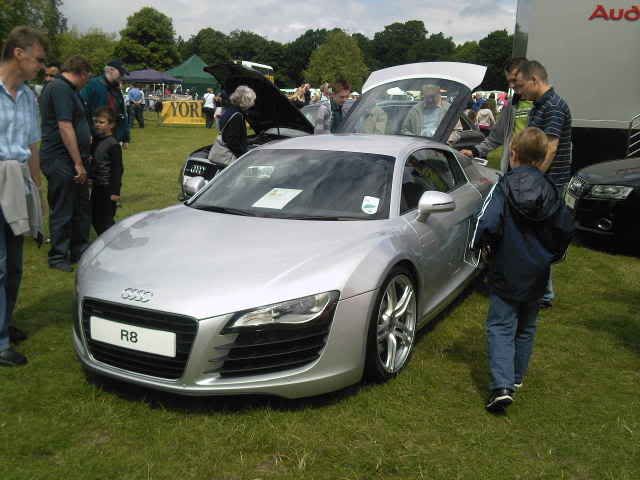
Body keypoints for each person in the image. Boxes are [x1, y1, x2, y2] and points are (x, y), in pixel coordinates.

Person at [471, 127, 573, 413]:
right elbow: (565, 227)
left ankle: (502, 386)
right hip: (537, 271)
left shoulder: (502, 187)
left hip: (506, 268)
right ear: (542, 159)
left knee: (501, 325)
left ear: (513, 154)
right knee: (527, 325)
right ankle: (516, 377)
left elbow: (486, 222)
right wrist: (552, 256)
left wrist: (480, 247)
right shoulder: (551, 190)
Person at [0, 26, 47, 366]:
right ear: (19, 53)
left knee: (14, 265)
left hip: (18, 183)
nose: (42, 66)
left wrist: (36, 187)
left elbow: (32, 144)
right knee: (0, 264)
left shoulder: (29, 96)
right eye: (39, 59)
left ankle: (4, 320)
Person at [516, 60, 572, 308]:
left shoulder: (554, 106)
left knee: (541, 238)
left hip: (550, 183)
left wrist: (532, 179)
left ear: (534, 80)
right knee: (536, 237)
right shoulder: (539, 106)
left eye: (521, 86)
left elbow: (550, 148)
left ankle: (543, 294)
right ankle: (540, 291)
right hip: (543, 181)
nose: (519, 92)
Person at [39, 55, 92, 273]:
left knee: (80, 206)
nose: (87, 81)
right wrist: (77, 162)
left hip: (69, 159)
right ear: (82, 73)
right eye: (87, 76)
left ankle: (78, 248)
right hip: (60, 159)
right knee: (63, 208)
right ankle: (58, 255)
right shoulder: (60, 89)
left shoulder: (69, 90)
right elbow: (64, 126)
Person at [460, 57, 532, 173]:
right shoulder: (511, 105)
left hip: (536, 172)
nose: (511, 85)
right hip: (513, 170)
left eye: (514, 80)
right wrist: (474, 151)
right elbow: (495, 137)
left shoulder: (544, 104)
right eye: (509, 81)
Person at [80, 60, 130, 148]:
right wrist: (86, 132)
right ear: (111, 70)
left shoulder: (116, 90)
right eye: (121, 73)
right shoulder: (92, 85)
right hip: (95, 136)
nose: (122, 76)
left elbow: (122, 112)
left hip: (113, 136)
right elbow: (82, 110)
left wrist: (125, 137)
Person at [90, 107, 123, 235]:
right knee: (95, 217)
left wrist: (115, 192)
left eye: (102, 122)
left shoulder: (113, 145)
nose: (97, 125)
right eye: (96, 122)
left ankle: (113, 241)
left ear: (111, 125)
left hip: (107, 188)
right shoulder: (96, 140)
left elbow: (117, 169)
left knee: (105, 221)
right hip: (97, 186)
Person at [208, 85, 256, 163]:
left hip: (222, 151)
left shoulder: (229, 110)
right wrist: (243, 155)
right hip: (228, 156)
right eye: (252, 100)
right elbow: (231, 140)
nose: (253, 103)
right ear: (245, 101)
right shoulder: (237, 115)